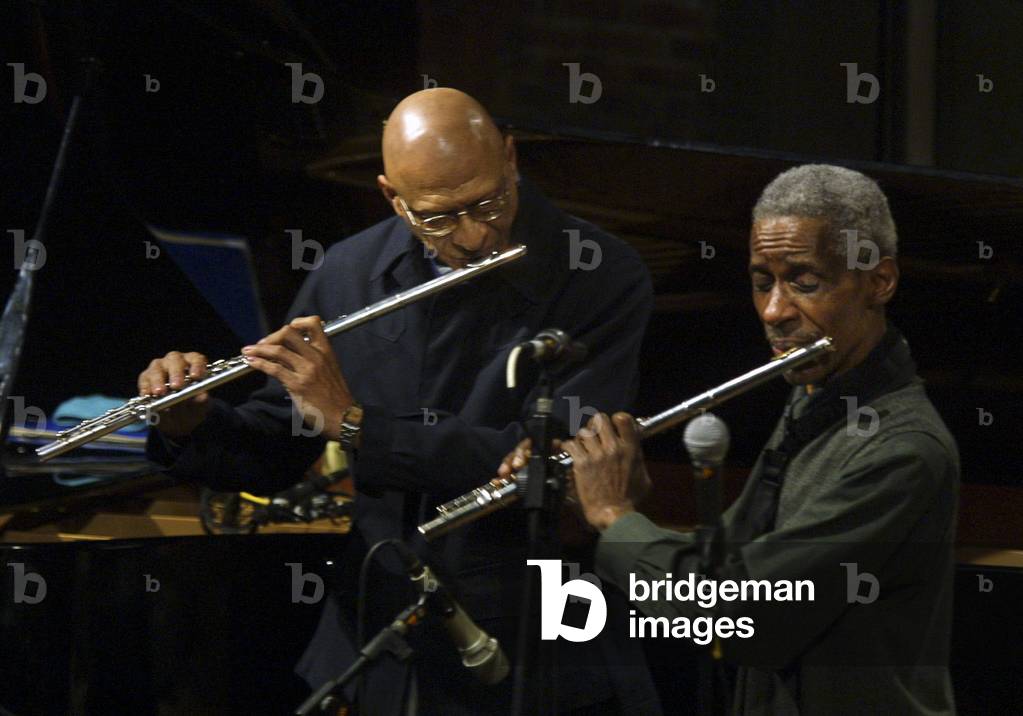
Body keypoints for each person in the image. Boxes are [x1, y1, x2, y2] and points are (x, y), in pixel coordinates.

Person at [140, 88, 660, 714]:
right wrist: (190, 423)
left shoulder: (599, 273)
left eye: (488, 203)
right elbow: (277, 446)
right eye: (438, 218)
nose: (474, 236)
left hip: (530, 634)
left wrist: (356, 425)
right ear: (393, 196)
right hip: (379, 632)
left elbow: (546, 464)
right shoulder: (349, 270)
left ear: (511, 158)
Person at [501, 164, 960, 715]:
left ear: (879, 281)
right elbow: (731, 567)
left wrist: (614, 517)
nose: (774, 311)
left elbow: (743, 614)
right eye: (763, 282)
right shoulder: (814, 401)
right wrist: (615, 503)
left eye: (805, 282)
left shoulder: (901, 450)